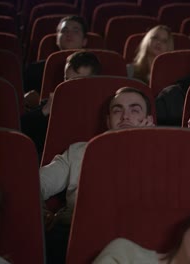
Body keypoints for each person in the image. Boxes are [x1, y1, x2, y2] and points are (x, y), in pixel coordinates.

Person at [41, 87, 154, 264]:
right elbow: (33, 184)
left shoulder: (161, 155)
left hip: (137, 240)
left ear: (148, 120)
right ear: (108, 121)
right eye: (117, 110)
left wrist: (147, 143)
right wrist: (39, 212)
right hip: (73, 233)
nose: (125, 116)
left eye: (134, 110)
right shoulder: (79, 151)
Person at [21, 51, 101, 160]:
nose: (70, 86)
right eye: (66, 80)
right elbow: (21, 131)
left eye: (77, 81)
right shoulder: (52, 104)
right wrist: (45, 110)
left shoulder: (104, 108)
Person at [23, 16, 88, 101]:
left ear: (84, 41)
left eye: (75, 31)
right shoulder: (35, 69)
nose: (69, 34)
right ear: (57, 39)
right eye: (64, 31)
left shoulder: (94, 68)